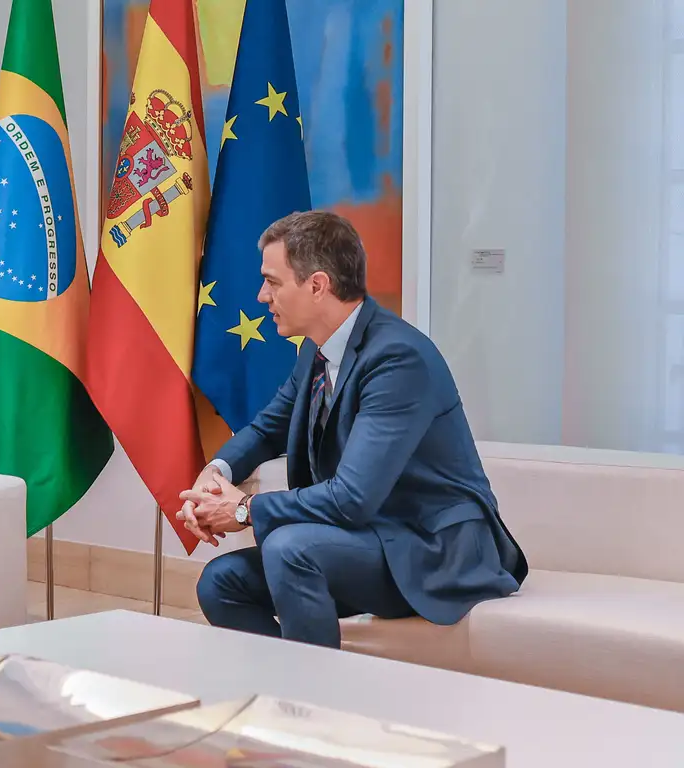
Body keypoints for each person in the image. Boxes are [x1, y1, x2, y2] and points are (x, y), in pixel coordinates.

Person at [178, 211, 527, 647]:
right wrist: (216, 474)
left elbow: (352, 498)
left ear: (317, 285)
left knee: (291, 549)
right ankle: (284, 692)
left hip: (431, 551)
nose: (261, 295)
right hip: (369, 540)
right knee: (220, 581)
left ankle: (319, 706)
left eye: (273, 281)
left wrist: (246, 509)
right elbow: (267, 430)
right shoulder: (316, 353)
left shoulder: (398, 359)